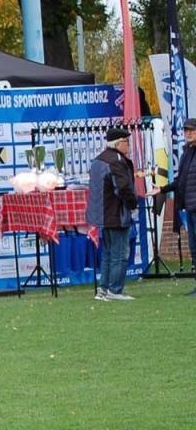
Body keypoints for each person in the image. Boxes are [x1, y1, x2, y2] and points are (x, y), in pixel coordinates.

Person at [87, 126, 138, 301]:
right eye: (126, 142)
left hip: (103, 215)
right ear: (118, 143)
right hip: (117, 213)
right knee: (120, 254)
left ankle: (103, 288)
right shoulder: (116, 161)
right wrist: (133, 204)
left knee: (108, 254)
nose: (128, 146)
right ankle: (115, 290)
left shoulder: (98, 160)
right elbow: (123, 187)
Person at [160, 117, 196, 295]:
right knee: (194, 247)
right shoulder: (185, 153)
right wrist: (161, 189)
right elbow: (180, 181)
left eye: (192, 130)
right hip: (189, 207)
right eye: (186, 130)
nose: (188, 133)